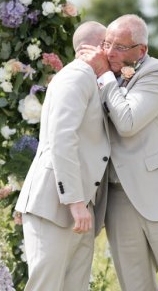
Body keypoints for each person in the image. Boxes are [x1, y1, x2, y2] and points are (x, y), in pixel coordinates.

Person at [79, 14, 158, 291]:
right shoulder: (101, 76)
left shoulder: (155, 72)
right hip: (118, 199)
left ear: (141, 50)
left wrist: (103, 75)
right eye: (107, 44)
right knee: (135, 286)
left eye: (120, 47)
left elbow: (127, 123)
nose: (109, 52)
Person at [15, 21, 111, 291]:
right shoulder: (77, 75)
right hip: (56, 203)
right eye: (110, 45)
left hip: (76, 204)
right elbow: (62, 138)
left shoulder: (92, 78)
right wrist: (76, 202)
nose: (115, 54)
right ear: (97, 47)